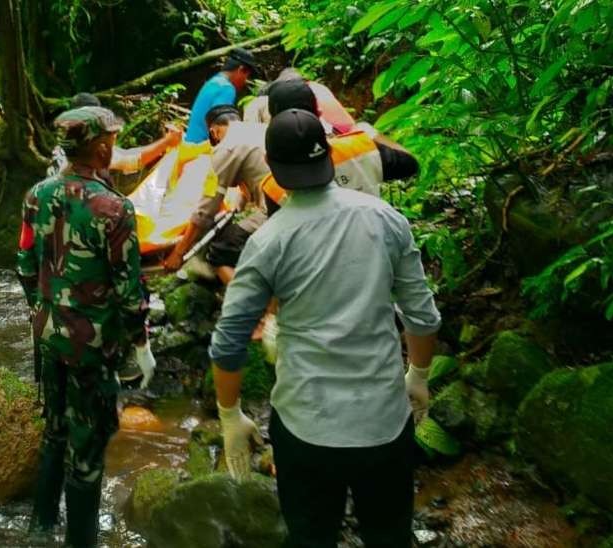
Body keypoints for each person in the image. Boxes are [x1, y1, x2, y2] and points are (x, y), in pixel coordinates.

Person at [209, 109, 441, 547]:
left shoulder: (268, 241)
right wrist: (419, 376)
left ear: (272, 168)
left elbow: (229, 342)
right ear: (330, 156)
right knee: (389, 537)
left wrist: (229, 416)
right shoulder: (385, 219)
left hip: (305, 428)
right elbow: (422, 315)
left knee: (311, 538)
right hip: (384, 422)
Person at [17, 106, 155, 547]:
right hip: (91, 348)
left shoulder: (36, 195)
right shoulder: (114, 208)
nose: (114, 145)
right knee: (89, 450)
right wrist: (141, 344)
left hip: (49, 337)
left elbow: (24, 263)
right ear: (100, 147)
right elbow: (129, 291)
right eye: (113, 139)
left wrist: (45, 311)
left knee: (55, 429)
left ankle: (40, 527)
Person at [262, 78, 419, 201]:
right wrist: (369, 132)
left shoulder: (273, 184)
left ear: (272, 120)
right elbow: (411, 164)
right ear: (318, 110)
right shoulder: (360, 147)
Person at [162, 105, 270, 277]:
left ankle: (245, 301)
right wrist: (237, 208)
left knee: (219, 251)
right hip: (290, 198)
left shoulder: (227, 147)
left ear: (214, 131)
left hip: (272, 211)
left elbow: (207, 206)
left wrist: (179, 252)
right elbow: (254, 174)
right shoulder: (261, 129)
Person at [48, 92, 182, 177]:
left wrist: (166, 141)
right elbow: (132, 160)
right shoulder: (91, 152)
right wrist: (167, 142)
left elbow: (127, 156)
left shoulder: (64, 148)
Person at [183, 47, 258, 144]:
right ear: (241, 70)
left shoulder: (213, 82)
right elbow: (222, 130)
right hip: (201, 150)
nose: (245, 81)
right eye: (246, 77)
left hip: (190, 144)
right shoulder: (226, 88)